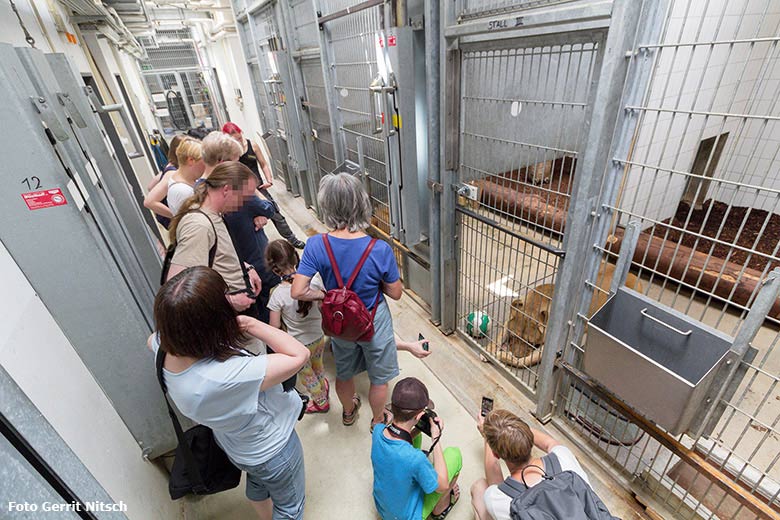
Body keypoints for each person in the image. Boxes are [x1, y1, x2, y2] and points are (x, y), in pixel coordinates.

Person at [149, 266, 310, 519]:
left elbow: (152, 338)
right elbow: (299, 354)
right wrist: (250, 323)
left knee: (258, 484)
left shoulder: (165, 346)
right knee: (291, 508)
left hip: (235, 444)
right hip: (271, 448)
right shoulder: (225, 376)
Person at [291, 173, 403, 430]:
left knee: (344, 373)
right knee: (378, 379)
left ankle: (349, 412)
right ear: (362, 204)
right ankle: (377, 421)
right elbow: (396, 293)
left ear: (326, 206)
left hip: (340, 322)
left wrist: (325, 295)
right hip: (373, 320)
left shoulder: (316, 245)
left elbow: (298, 290)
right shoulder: (379, 248)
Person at [200, 131, 279, 323]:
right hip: (251, 270)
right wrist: (258, 198)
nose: (239, 166)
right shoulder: (233, 192)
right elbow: (270, 207)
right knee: (268, 317)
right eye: (235, 162)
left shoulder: (199, 191)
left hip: (240, 271)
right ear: (221, 163)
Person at [167, 161, 262, 313]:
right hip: (227, 315)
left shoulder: (213, 215)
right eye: (243, 198)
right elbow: (179, 289)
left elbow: (216, 253)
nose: (244, 205)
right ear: (226, 190)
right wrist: (229, 301)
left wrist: (245, 268)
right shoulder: (199, 225)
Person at [471, 409, 591, 520]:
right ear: (529, 438)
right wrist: (514, 428)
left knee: (479, 488)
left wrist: (488, 436)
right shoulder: (563, 457)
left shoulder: (500, 499)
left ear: (496, 454)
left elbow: (494, 480)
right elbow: (548, 442)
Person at [371, 377, 462, 520]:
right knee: (454, 454)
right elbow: (442, 485)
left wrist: (417, 430)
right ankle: (440, 508)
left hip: (383, 509)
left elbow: (398, 443)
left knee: (415, 439)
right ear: (420, 415)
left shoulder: (377, 431)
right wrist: (436, 438)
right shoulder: (416, 458)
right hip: (407, 516)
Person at [265, 239, 329, 413]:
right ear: (296, 258)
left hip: (298, 345)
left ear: (274, 268)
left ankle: (321, 402)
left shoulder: (277, 295)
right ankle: (323, 386)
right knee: (318, 365)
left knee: (307, 374)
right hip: (318, 336)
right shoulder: (314, 281)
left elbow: (274, 326)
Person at [222, 122, 306, 249]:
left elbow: (263, 163)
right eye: (234, 141)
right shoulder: (227, 155)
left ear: (241, 133)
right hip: (240, 191)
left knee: (276, 215)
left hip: (259, 188)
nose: (238, 142)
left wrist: (269, 179)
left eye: (239, 138)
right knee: (250, 222)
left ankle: (292, 239)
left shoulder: (252, 145)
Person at [144, 135, 193, 227]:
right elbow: (149, 202)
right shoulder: (172, 173)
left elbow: (150, 186)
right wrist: (175, 215)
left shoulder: (169, 167)